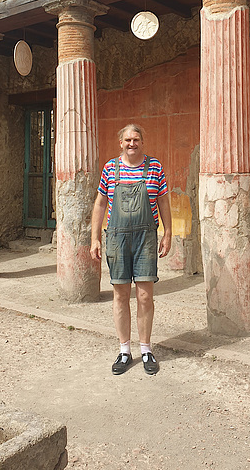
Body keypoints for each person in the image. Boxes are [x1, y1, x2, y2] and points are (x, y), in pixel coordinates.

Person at [90, 123, 172, 375]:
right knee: (120, 295)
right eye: (127, 140)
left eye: (136, 139)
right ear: (120, 143)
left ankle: (146, 349)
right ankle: (125, 351)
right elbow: (101, 204)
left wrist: (168, 232)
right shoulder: (110, 169)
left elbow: (163, 200)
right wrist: (95, 238)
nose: (132, 144)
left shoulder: (155, 167)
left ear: (142, 142)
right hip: (117, 238)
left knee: (145, 296)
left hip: (146, 238)